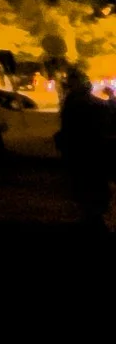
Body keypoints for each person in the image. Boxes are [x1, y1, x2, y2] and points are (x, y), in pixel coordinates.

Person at [55, 69, 112, 234]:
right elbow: (107, 111)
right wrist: (111, 98)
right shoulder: (84, 103)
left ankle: (90, 217)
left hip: (77, 150)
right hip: (90, 151)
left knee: (83, 184)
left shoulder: (70, 102)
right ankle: (94, 221)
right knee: (93, 184)